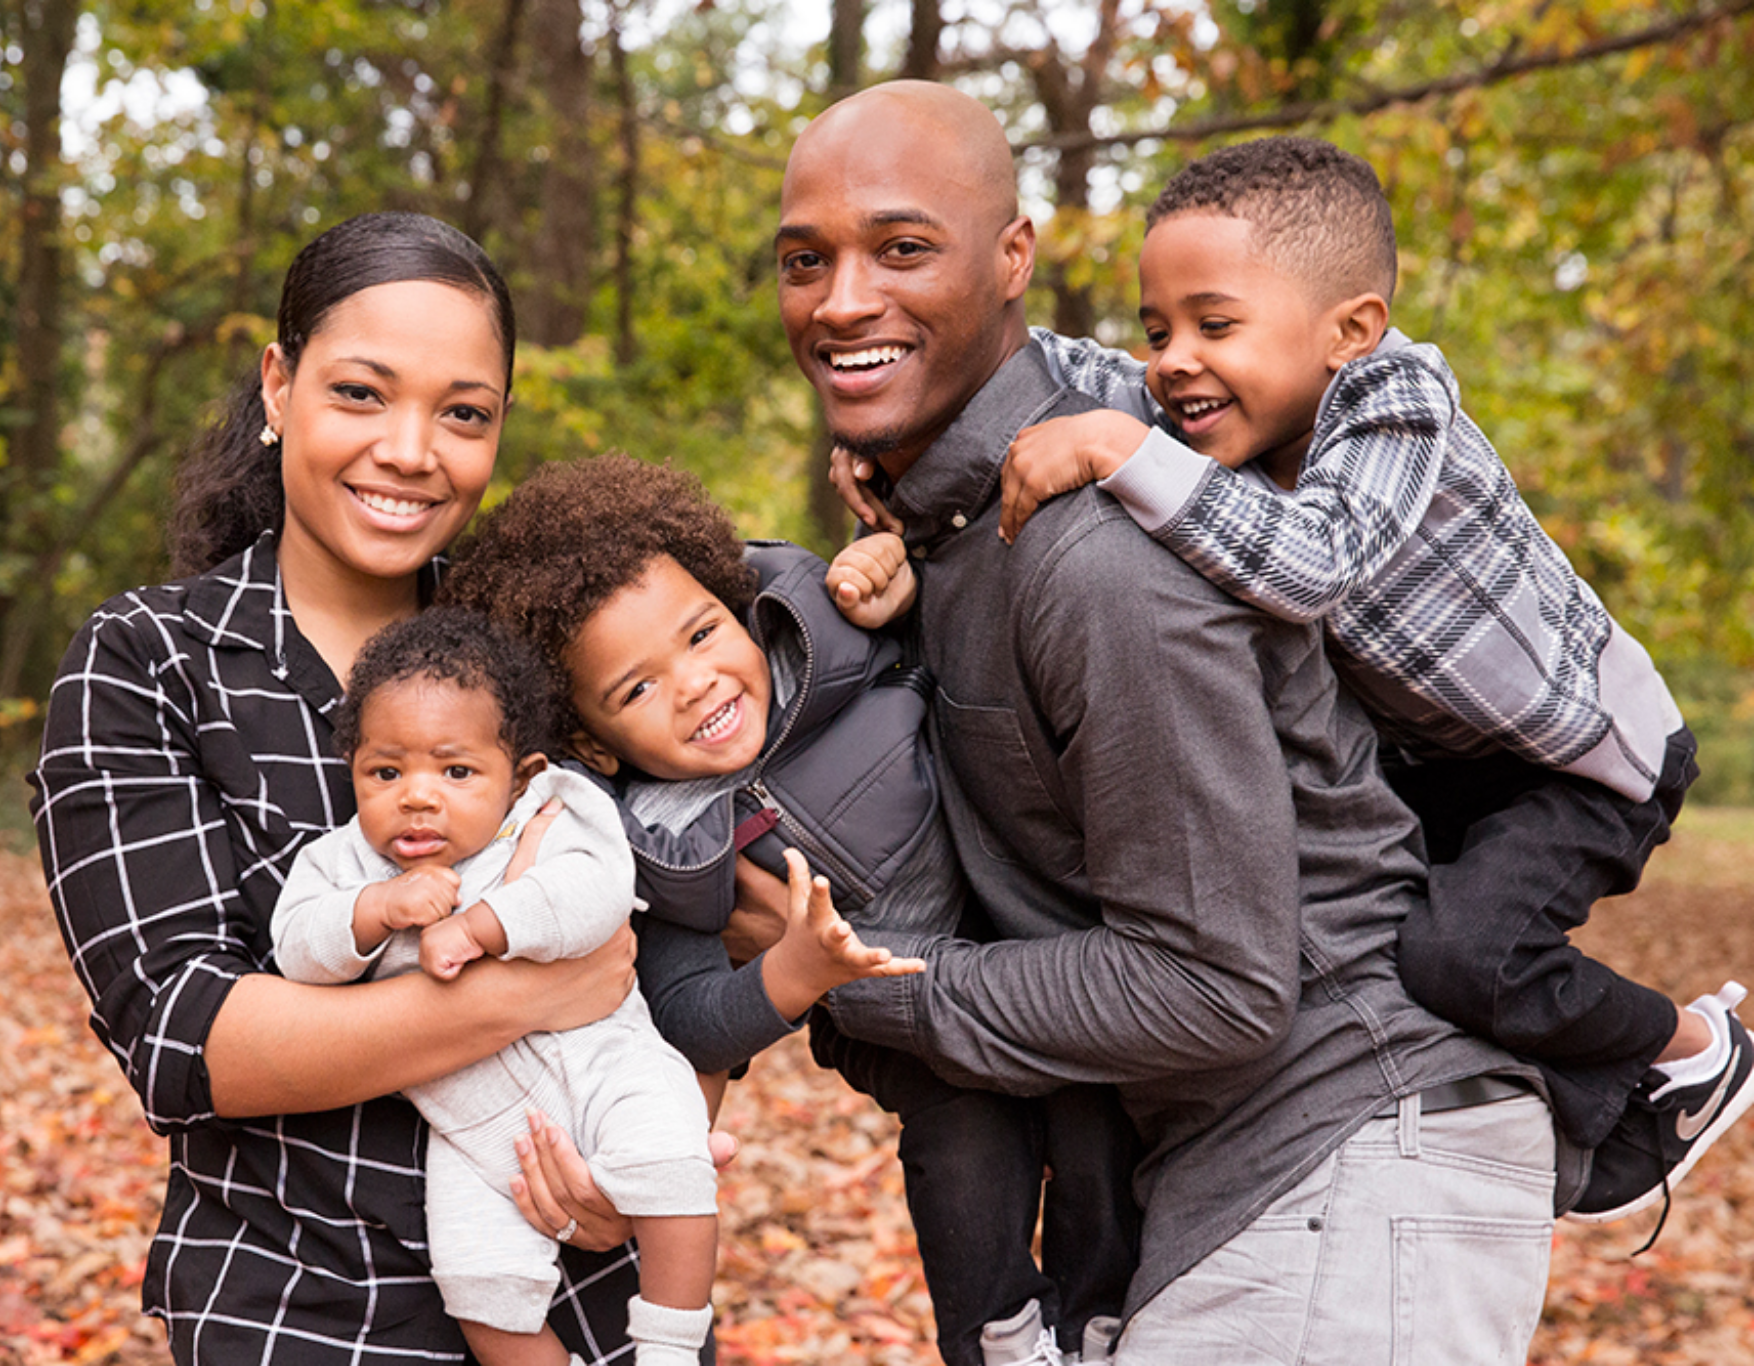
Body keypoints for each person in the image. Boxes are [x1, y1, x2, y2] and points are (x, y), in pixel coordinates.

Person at [781, 80, 1556, 1364]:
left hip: (1344, 1157)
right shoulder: (953, 524)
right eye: (805, 260)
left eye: (901, 247)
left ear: (1013, 256)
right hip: (1225, 1181)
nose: (842, 299)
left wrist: (863, 983)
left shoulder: (1094, 553)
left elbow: (1212, 985)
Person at [960, 136, 1748, 1234]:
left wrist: (1114, 451)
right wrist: (925, 405)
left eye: (1214, 324)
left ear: (1350, 330)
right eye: (1157, 330)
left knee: (1464, 953)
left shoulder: (1393, 402)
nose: (1171, 360)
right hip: (1444, 759)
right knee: (1361, 933)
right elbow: (1065, 374)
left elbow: (1312, 560)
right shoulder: (1213, 414)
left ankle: (1693, 1048)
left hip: (1583, 762)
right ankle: (1523, 1104)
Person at [30, 212, 658, 1363]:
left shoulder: (533, 642)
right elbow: (184, 1034)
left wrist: (652, 1150)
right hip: (299, 1306)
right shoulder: (147, 660)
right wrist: (524, 992)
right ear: (278, 386)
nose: (412, 449)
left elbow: (683, 898)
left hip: (582, 1300)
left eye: (462, 412)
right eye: (362, 393)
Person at [442, 453, 1140, 1366]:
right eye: (637, 689)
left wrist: (891, 568)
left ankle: (1106, 1318)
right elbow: (691, 1021)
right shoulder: (661, 848)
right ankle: (999, 1336)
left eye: (700, 635)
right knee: (965, 1154)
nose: (693, 684)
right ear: (589, 742)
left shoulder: (832, 647)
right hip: (912, 1039)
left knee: (1097, 1127)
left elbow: (950, 614)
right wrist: (789, 974)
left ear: (737, 604)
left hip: (1023, 935)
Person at [269, 608, 717, 1366]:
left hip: (604, 1064)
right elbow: (295, 951)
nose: (416, 795)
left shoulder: (552, 814)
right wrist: (374, 911)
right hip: (475, 1133)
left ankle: (669, 1348)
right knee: (479, 1284)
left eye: (456, 771)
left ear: (520, 774)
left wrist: (483, 925)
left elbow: (595, 895)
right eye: (385, 772)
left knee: (673, 1171)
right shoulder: (340, 865)